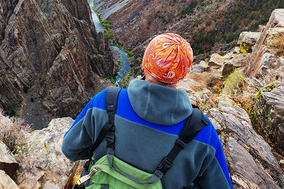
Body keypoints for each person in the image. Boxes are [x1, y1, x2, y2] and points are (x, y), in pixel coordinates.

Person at [62, 33, 232, 188]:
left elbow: (70, 149)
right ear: (184, 74)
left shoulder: (106, 101)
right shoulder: (202, 132)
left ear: (144, 64)